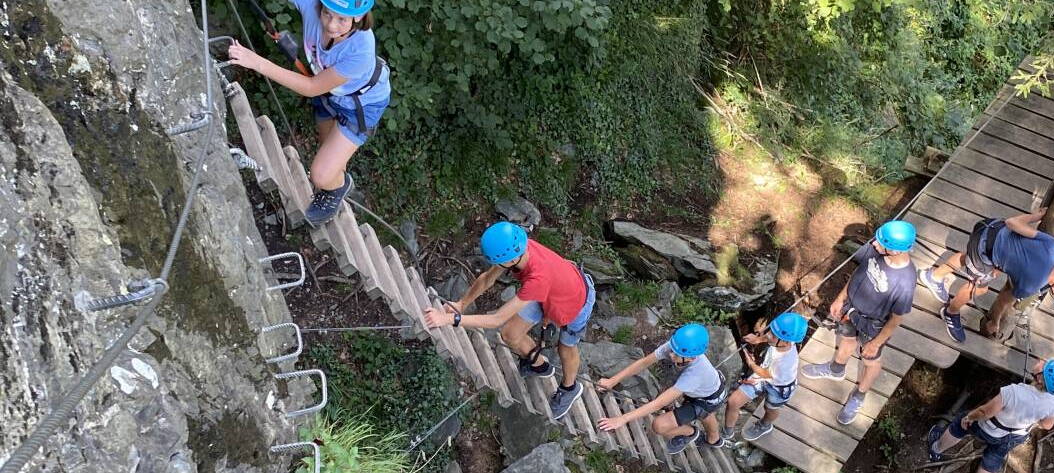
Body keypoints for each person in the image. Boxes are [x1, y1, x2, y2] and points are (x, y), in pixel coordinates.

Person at [228, 0, 391, 227]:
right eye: (327, 13)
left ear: (357, 17)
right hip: (332, 93)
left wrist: (256, 62)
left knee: (321, 176)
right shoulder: (311, 5)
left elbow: (312, 87)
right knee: (328, 152)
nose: (331, 25)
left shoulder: (361, 50)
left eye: (341, 19)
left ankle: (337, 187)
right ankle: (336, 179)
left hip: (361, 105)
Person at [423, 222, 595, 420]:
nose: (497, 265)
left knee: (566, 348)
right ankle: (539, 366)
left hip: (577, 301)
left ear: (511, 258)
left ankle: (570, 388)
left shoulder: (536, 277)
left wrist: (448, 319)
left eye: (499, 261)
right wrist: (462, 303)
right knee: (510, 334)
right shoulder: (518, 247)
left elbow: (497, 319)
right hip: (551, 290)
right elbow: (488, 279)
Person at [801, 220, 917, 425]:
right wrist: (840, 297)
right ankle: (836, 368)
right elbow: (858, 273)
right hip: (851, 309)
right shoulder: (878, 250)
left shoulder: (905, 283)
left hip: (874, 325)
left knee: (870, 362)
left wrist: (876, 343)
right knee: (846, 339)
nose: (874, 244)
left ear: (897, 251)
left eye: (882, 244)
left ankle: (859, 396)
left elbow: (897, 318)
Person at [919, 210, 1054, 342]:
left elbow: (1012, 223)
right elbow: (1003, 299)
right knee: (979, 288)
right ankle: (951, 312)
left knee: (972, 259)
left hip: (990, 226)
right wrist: (995, 322)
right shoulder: (1031, 287)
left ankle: (934, 276)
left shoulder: (1053, 246)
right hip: (983, 250)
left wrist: (1035, 216)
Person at [595, 324, 724, 454]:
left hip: (708, 399)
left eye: (676, 354)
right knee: (703, 414)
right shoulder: (678, 346)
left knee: (659, 425)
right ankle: (710, 437)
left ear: (692, 358)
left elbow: (658, 404)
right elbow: (644, 363)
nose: (671, 355)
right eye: (672, 350)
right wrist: (612, 381)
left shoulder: (695, 374)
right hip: (700, 389)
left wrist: (621, 419)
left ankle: (691, 432)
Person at [927, 359, 1054, 473]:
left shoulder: (1012, 392)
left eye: (1045, 366)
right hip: (1015, 436)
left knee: (959, 424)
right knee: (993, 458)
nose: (1041, 361)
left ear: (1041, 379)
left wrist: (970, 418)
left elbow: (985, 412)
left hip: (989, 428)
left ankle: (936, 449)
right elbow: (1047, 425)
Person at [722, 312, 807, 442]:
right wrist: (758, 340)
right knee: (733, 401)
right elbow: (770, 339)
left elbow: (767, 374)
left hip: (779, 386)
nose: (768, 334)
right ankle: (727, 432)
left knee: (770, 408)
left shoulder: (786, 362)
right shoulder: (783, 340)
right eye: (771, 330)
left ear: (784, 341)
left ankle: (765, 425)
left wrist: (751, 364)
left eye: (773, 334)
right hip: (765, 374)